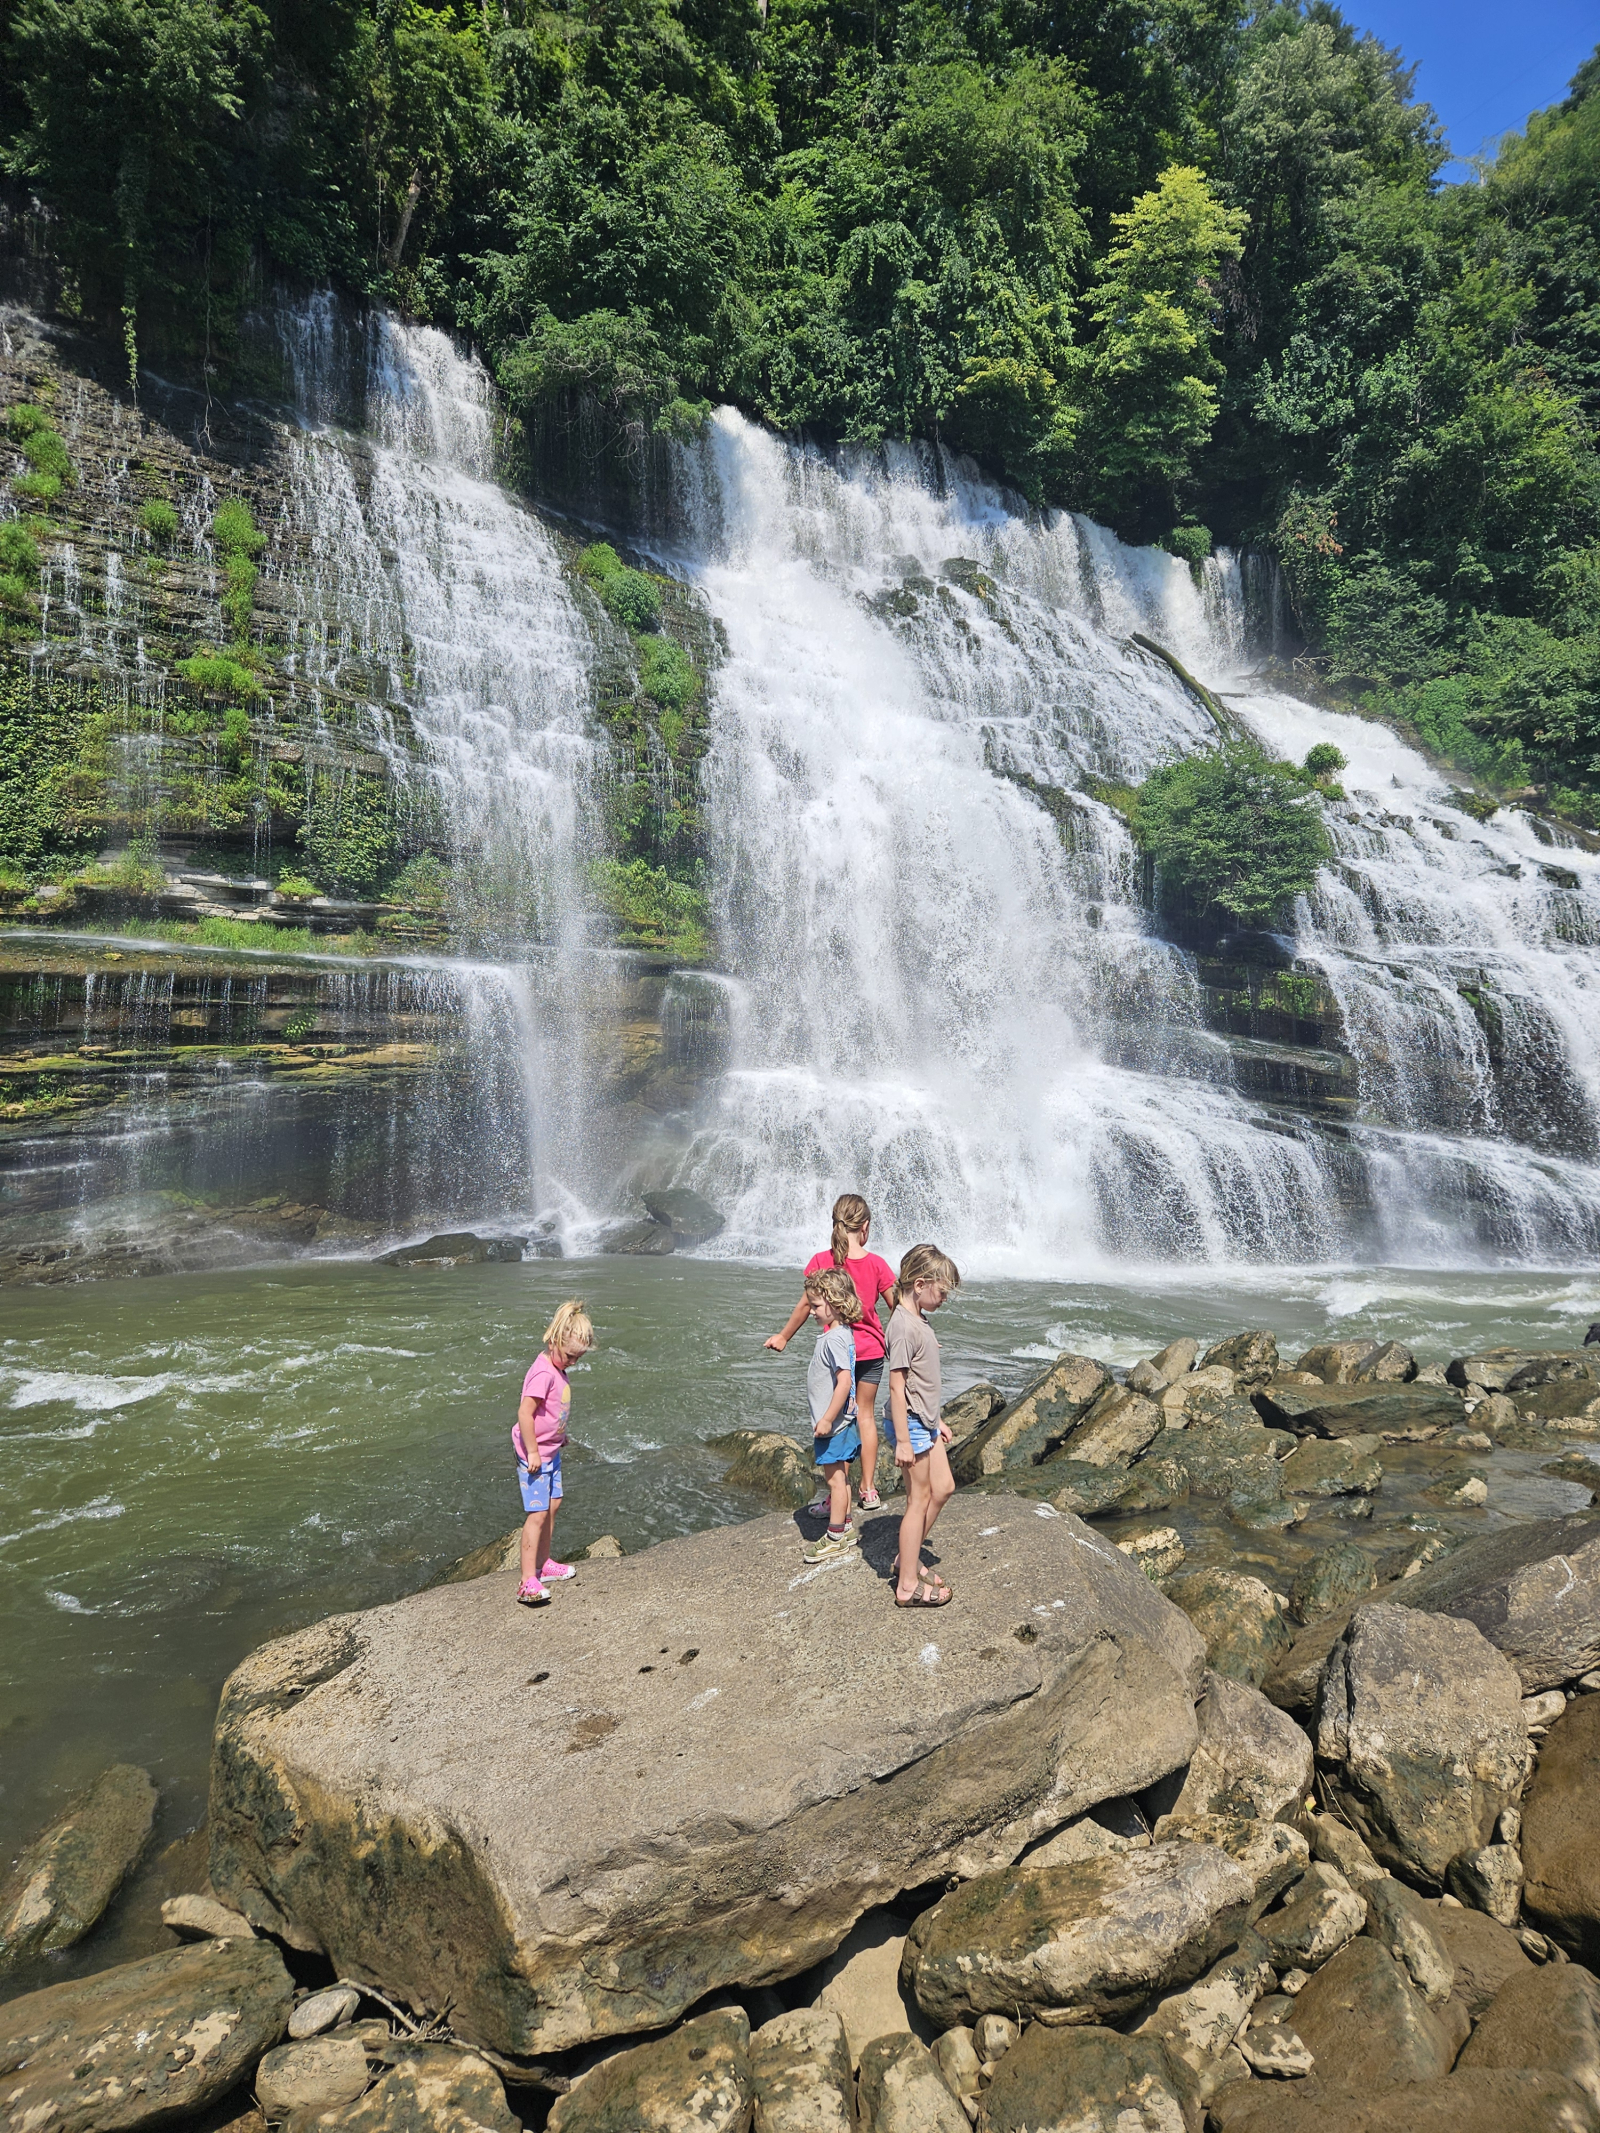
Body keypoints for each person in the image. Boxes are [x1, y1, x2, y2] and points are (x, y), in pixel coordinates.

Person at [764, 1193, 896, 1511]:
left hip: (839, 1355)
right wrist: (920, 1338)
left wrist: (784, 1336)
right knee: (864, 1416)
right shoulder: (877, 1264)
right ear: (865, 1227)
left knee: (837, 1421)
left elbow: (805, 1304)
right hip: (872, 1351)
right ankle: (868, 1489)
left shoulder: (823, 1261)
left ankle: (839, 1495)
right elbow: (899, 1309)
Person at [885, 1244, 961, 1608]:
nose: (944, 1298)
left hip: (925, 1421)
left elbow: (921, 1379)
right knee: (918, 1501)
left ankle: (907, 1558)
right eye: (942, 1291)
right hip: (911, 1426)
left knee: (943, 1487)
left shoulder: (917, 1320)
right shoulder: (901, 1326)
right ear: (920, 1284)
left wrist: (938, 1420)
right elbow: (897, 1387)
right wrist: (903, 1440)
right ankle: (907, 1585)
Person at [514, 1299, 594, 1607]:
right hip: (534, 1454)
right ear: (555, 1341)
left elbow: (552, 1413)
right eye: (572, 1355)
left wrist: (561, 1436)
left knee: (554, 1505)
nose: (574, 1362)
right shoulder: (543, 1373)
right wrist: (533, 1451)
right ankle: (526, 1581)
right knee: (537, 1513)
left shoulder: (559, 1367)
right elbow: (525, 1414)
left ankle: (544, 1563)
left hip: (551, 1450)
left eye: (579, 1357)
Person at [801, 1267, 864, 1564]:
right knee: (842, 1478)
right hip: (845, 1422)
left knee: (835, 1481)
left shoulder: (834, 1339)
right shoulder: (841, 1335)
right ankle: (847, 1525)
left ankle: (835, 1537)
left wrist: (826, 1418)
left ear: (835, 1303)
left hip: (835, 1426)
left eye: (815, 1306)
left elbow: (844, 1381)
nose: (811, 1311)